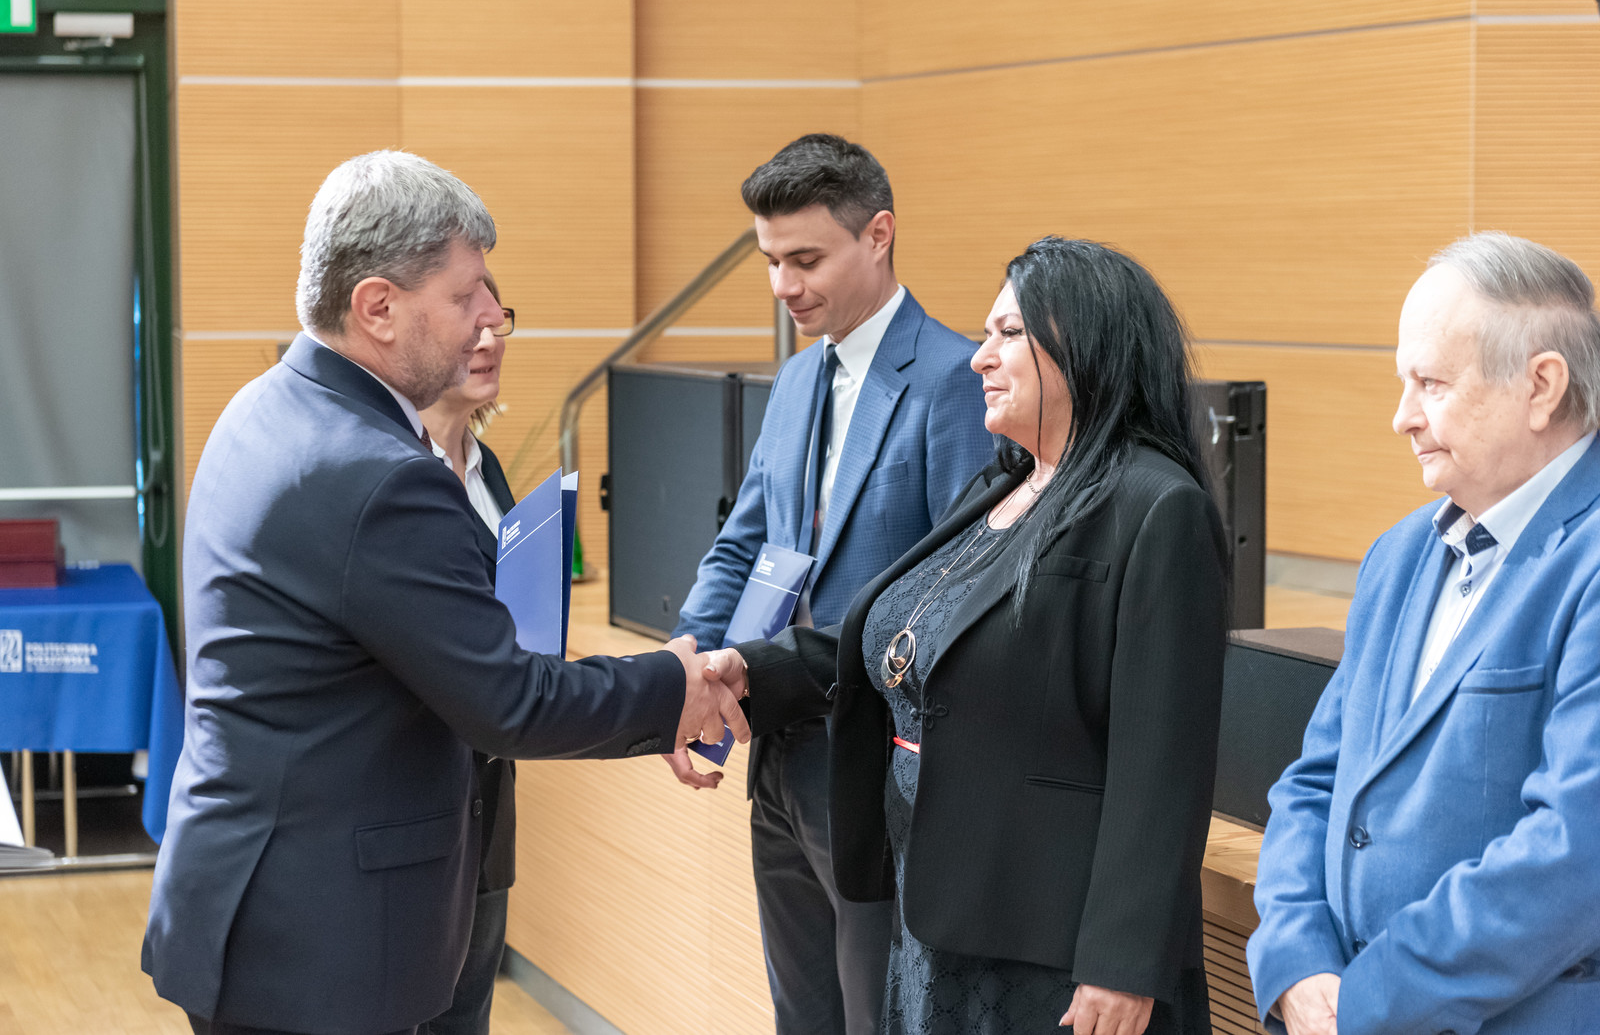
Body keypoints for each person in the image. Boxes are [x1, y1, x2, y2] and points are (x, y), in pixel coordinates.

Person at [143, 150, 748, 1035]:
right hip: (322, 943)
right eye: (466, 295)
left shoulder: (266, 408)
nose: (492, 318)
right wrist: (673, 686)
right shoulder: (380, 474)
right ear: (377, 307)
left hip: (253, 908)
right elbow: (509, 702)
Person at [707, 236, 1229, 1035]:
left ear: (1086, 346)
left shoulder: (1156, 506)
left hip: (1050, 946)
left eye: (1008, 334)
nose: (981, 357)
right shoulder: (1004, 483)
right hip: (937, 913)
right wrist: (757, 671)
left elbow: (1162, 764)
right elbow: (916, 638)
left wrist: (1123, 963)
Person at [666, 133, 993, 1035]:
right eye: (771, 262)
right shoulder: (798, 377)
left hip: (875, 762)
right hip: (772, 745)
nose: (783, 285)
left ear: (878, 234)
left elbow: (957, 591)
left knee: (872, 1014)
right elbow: (743, 543)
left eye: (805, 260)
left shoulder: (954, 381)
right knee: (800, 1014)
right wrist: (681, 668)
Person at [1247, 232, 1600, 1035]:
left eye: (1431, 384)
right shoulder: (1400, 553)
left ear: (1542, 386)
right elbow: (1316, 782)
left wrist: (1370, 999)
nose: (1401, 417)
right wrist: (1297, 959)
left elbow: (1576, 853)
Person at [416, 273, 517, 1035]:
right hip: (414, 822)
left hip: (486, 815)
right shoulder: (390, 475)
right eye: (471, 324)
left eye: (498, 324)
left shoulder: (490, 471)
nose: (489, 342)